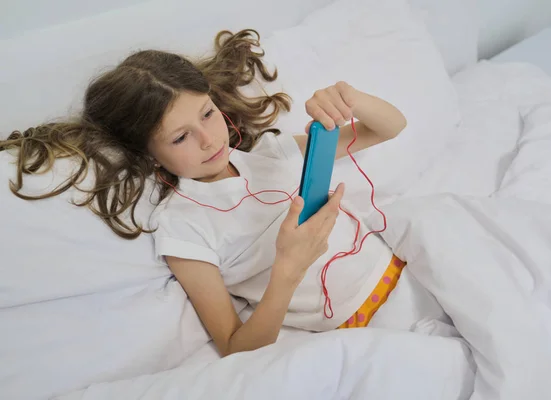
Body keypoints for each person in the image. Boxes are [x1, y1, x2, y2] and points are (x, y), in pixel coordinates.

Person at [0, 29, 407, 357]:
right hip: (363, 325)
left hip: (405, 271)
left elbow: (389, 127)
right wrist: (288, 268)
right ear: (148, 154)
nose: (209, 139)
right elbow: (236, 347)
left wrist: (349, 100)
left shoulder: (271, 153)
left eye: (208, 114)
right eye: (180, 137)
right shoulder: (184, 229)